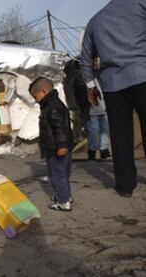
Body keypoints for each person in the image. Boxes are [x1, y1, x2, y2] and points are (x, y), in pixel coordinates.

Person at [80, 0, 146, 197]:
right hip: (143, 74)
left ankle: (126, 186)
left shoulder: (95, 21)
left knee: (120, 136)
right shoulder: (139, 5)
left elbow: (85, 60)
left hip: (113, 85)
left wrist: (91, 85)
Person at [29, 77, 74, 211]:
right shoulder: (53, 104)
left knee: (57, 175)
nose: (35, 100)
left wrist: (62, 145)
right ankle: (66, 196)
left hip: (56, 148)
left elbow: (59, 127)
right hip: (58, 147)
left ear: (43, 92)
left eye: (35, 96)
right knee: (62, 174)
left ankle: (63, 202)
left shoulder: (52, 107)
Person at [73, 59, 111, 161]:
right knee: (93, 132)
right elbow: (78, 96)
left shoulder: (98, 75)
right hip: (91, 110)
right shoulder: (79, 80)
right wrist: (85, 105)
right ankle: (92, 152)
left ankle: (104, 151)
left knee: (105, 129)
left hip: (104, 107)